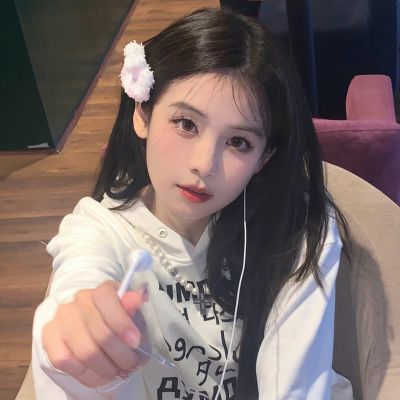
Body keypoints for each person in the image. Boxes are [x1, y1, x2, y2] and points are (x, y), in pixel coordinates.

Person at [32, 7, 354, 400]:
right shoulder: (99, 229)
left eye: (238, 142)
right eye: (186, 124)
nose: (204, 164)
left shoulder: (295, 227)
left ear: (263, 158)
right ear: (143, 114)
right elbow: (80, 276)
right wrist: (73, 331)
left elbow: (295, 389)